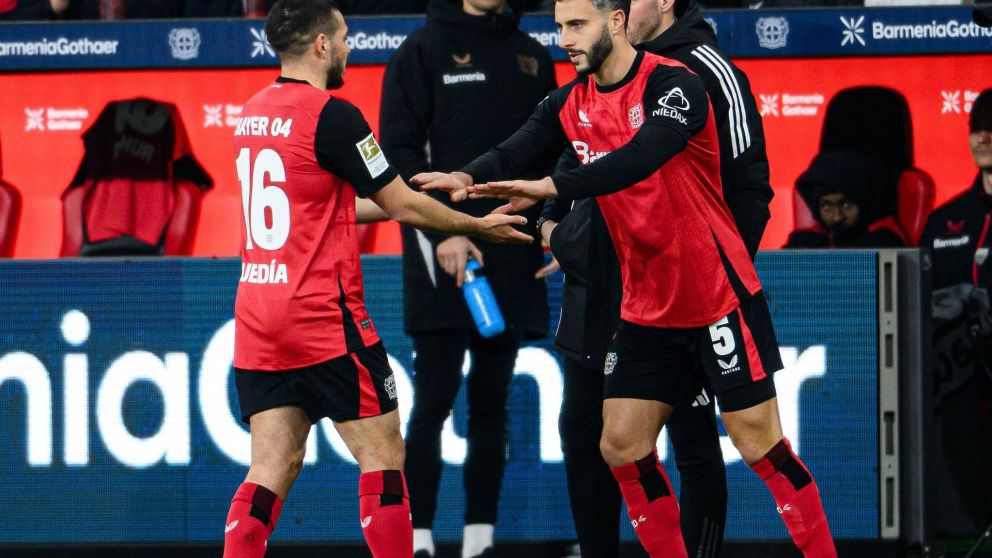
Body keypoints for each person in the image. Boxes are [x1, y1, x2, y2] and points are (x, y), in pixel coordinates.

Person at [414, 0, 836, 556]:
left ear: (616, 21)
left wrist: (554, 188)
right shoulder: (573, 100)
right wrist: (465, 175)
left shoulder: (676, 84)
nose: (564, 38)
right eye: (560, 26)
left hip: (714, 296)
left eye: (577, 25)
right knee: (619, 444)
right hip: (644, 306)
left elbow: (640, 159)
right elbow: (523, 144)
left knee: (757, 443)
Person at [226, 2, 532, 557]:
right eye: (343, 37)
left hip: (257, 321)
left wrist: (421, 201)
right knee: (384, 456)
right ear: (321, 45)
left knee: (272, 465)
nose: (350, 47)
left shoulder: (250, 113)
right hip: (323, 317)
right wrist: (475, 225)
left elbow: (321, 206)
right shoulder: (334, 115)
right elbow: (401, 205)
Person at [537, 0, 772, 555]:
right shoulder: (593, 68)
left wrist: (707, 284)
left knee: (694, 444)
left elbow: (749, 190)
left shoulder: (706, 71)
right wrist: (558, 231)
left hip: (682, 298)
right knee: (590, 439)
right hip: (597, 295)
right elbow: (576, 164)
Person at [379, 1, 556, 557]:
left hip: (512, 249)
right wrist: (443, 232)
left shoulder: (533, 55)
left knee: (491, 402)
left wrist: (555, 227)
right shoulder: (421, 50)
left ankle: (480, 541)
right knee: (432, 401)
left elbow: (555, 152)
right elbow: (399, 153)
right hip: (442, 253)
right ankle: (420, 538)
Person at [917, 88, 992, 537]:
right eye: (977, 127)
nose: (983, 136)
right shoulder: (946, 220)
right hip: (957, 382)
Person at [784, 150, 906, 249]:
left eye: (846, 204)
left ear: (864, 202)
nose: (837, 217)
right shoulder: (806, 242)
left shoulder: (883, 241)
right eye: (827, 206)